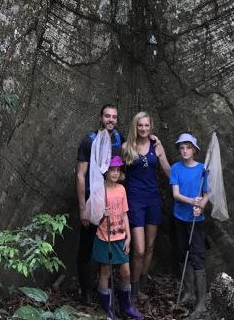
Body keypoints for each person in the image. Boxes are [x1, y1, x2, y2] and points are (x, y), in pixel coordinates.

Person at [75, 104, 124, 304]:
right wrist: (83, 208)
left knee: (108, 245)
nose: (110, 120)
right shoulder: (90, 140)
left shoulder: (118, 138)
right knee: (87, 246)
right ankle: (86, 293)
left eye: (114, 117)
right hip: (92, 201)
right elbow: (80, 175)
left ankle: (104, 291)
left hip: (111, 203)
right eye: (107, 116)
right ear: (100, 117)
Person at [121, 111, 170, 298]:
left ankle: (142, 284)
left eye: (146, 125)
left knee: (149, 247)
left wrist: (190, 181)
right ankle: (132, 290)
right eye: (140, 125)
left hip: (153, 200)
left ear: (151, 127)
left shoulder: (156, 146)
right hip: (134, 200)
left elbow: (168, 171)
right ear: (135, 126)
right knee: (139, 249)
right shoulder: (127, 147)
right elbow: (117, 172)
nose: (143, 128)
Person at [93, 156, 143, 320]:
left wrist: (128, 236)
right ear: (105, 172)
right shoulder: (100, 190)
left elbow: (124, 214)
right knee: (105, 272)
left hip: (120, 236)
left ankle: (126, 306)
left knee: (126, 272)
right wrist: (102, 214)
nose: (115, 173)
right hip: (105, 237)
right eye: (112, 170)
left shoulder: (121, 189)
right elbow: (94, 217)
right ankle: (106, 308)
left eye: (117, 170)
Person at [170, 132, 210, 317]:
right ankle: (188, 292)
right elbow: (176, 194)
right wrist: (192, 201)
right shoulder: (176, 168)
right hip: (180, 218)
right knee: (181, 253)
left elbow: (207, 194)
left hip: (196, 220)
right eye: (182, 148)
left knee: (197, 257)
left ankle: (201, 303)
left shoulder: (202, 169)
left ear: (194, 150)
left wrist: (200, 207)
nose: (185, 151)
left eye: (188, 148)